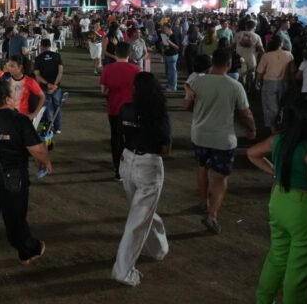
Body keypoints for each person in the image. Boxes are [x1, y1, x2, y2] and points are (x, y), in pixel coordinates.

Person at [0, 80, 52, 291]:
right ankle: (28, 250)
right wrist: (46, 162)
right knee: (15, 223)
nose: (18, 96)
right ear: (6, 99)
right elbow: (38, 150)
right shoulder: (18, 121)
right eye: (15, 93)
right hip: (12, 181)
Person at [246, 98, 307, 303]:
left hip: (279, 201)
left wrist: (275, 173)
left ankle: (264, 300)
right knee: (299, 270)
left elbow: (252, 153)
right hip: (305, 211)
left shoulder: (278, 140)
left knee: (277, 256)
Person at [186, 49, 256, 234]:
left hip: (200, 135)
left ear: (212, 63)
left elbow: (188, 105)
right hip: (223, 139)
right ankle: (212, 214)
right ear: (229, 64)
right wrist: (252, 128)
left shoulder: (196, 82)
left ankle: (203, 202)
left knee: (202, 168)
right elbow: (245, 113)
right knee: (220, 177)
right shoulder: (235, 86)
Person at [112, 73, 172, 287]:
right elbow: (165, 148)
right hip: (148, 164)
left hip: (127, 161)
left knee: (142, 212)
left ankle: (158, 248)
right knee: (138, 219)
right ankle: (123, 270)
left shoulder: (126, 109)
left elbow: (119, 136)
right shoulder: (158, 114)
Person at [101, 42, 141, 180]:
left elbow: (104, 90)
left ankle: (118, 168)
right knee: (132, 138)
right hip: (132, 110)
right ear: (129, 54)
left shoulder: (107, 69)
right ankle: (131, 167)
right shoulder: (137, 69)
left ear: (116, 53)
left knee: (116, 138)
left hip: (114, 108)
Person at [255, 36, 294, 135]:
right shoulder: (289, 55)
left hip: (269, 83)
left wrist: (257, 81)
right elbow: (292, 70)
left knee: (270, 108)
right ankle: (281, 127)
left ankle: (274, 132)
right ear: (281, 44)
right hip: (284, 83)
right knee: (282, 106)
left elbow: (260, 71)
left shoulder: (266, 56)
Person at [0, 55, 45, 122]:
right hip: (6, 116)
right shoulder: (5, 79)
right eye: (8, 66)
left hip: (21, 117)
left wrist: (34, 114)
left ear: (20, 67)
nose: (9, 69)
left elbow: (42, 96)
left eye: (12, 66)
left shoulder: (30, 81)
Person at [33, 39, 64, 135]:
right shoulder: (57, 56)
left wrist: (47, 84)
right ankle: (57, 128)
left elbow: (37, 75)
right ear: (50, 46)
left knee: (44, 108)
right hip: (56, 87)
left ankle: (46, 129)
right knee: (57, 107)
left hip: (43, 87)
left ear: (41, 46)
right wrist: (54, 85)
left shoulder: (38, 58)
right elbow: (60, 72)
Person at [234, 19, 265, 92]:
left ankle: (242, 89)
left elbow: (232, 46)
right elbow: (261, 49)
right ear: (254, 27)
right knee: (251, 73)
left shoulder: (237, 34)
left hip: (240, 57)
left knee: (241, 75)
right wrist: (265, 57)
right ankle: (249, 88)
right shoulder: (257, 36)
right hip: (252, 58)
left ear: (246, 26)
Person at [159, 24, 180, 91]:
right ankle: (169, 84)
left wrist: (169, 42)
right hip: (167, 54)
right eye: (163, 29)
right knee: (168, 72)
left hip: (172, 55)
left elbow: (177, 47)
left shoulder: (174, 36)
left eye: (164, 29)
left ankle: (173, 86)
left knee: (172, 72)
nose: (163, 31)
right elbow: (166, 46)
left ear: (169, 29)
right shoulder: (166, 36)